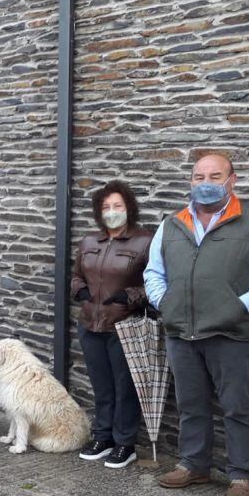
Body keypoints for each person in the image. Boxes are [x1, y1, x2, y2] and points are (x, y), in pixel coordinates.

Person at [144, 153, 249, 496]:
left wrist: (238, 306)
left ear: (232, 180)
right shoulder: (172, 224)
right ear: (191, 181)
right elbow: (153, 272)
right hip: (182, 332)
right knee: (191, 404)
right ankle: (194, 464)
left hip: (231, 333)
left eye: (215, 175)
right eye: (198, 177)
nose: (205, 183)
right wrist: (166, 304)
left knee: (237, 407)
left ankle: (241, 474)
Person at [71, 180, 152, 469]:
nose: (112, 211)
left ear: (128, 208)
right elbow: (77, 275)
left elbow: (154, 285)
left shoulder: (144, 242)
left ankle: (125, 443)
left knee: (125, 386)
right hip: (90, 325)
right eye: (106, 207)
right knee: (102, 386)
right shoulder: (90, 241)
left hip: (124, 327)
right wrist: (78, 289)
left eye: (117, 206)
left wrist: (129, 296)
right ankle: (102, 436)